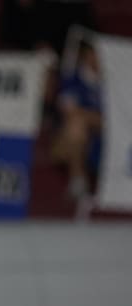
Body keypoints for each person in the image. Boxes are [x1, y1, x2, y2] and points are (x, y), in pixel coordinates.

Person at [49, 38, 103, 202]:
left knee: (78, 123)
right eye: (92, 55)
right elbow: (68, 111)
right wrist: (95, 118)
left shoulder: (115, 81)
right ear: (84, 56)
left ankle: (78, 180)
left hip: (109, 136)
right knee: (75, 125)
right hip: (77, 140)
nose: (96, 59)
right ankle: (78, 180)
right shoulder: (72, 79)